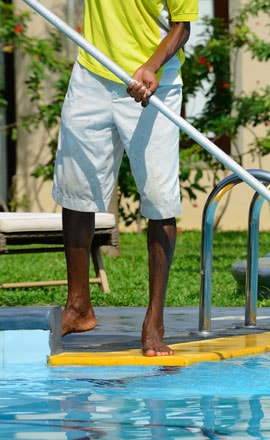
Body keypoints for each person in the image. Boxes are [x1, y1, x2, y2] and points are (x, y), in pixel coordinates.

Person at [54, 1, 198, 356]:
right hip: (92, 74)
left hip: (155, 82)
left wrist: (151, 66)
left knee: (159, 199)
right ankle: (79, 306)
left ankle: (154, 322)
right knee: (76, 189)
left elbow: (182, 27)